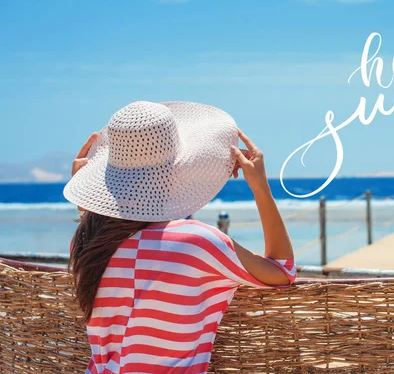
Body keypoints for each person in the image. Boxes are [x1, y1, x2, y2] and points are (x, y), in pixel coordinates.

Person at [64, 101, 296, 374]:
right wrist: (260, 185)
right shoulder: (196, 243)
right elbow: (283, 270)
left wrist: (90, 206)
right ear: (179, 169)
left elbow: (119, 242)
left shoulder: (85, 244)